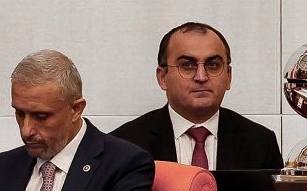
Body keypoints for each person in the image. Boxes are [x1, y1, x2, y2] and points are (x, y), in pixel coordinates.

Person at [0, 50, 154, 191]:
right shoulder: (3, 166)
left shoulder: (123, 164)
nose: (26, 130)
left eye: (41, 116)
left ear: (76, 110)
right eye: (19, 113)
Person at [111, 22, 283, 170]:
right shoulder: (123, 145)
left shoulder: (260, 143)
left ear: (228, 77)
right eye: (187, 65)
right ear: (162, 77)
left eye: (213, 65)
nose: (201, 76)